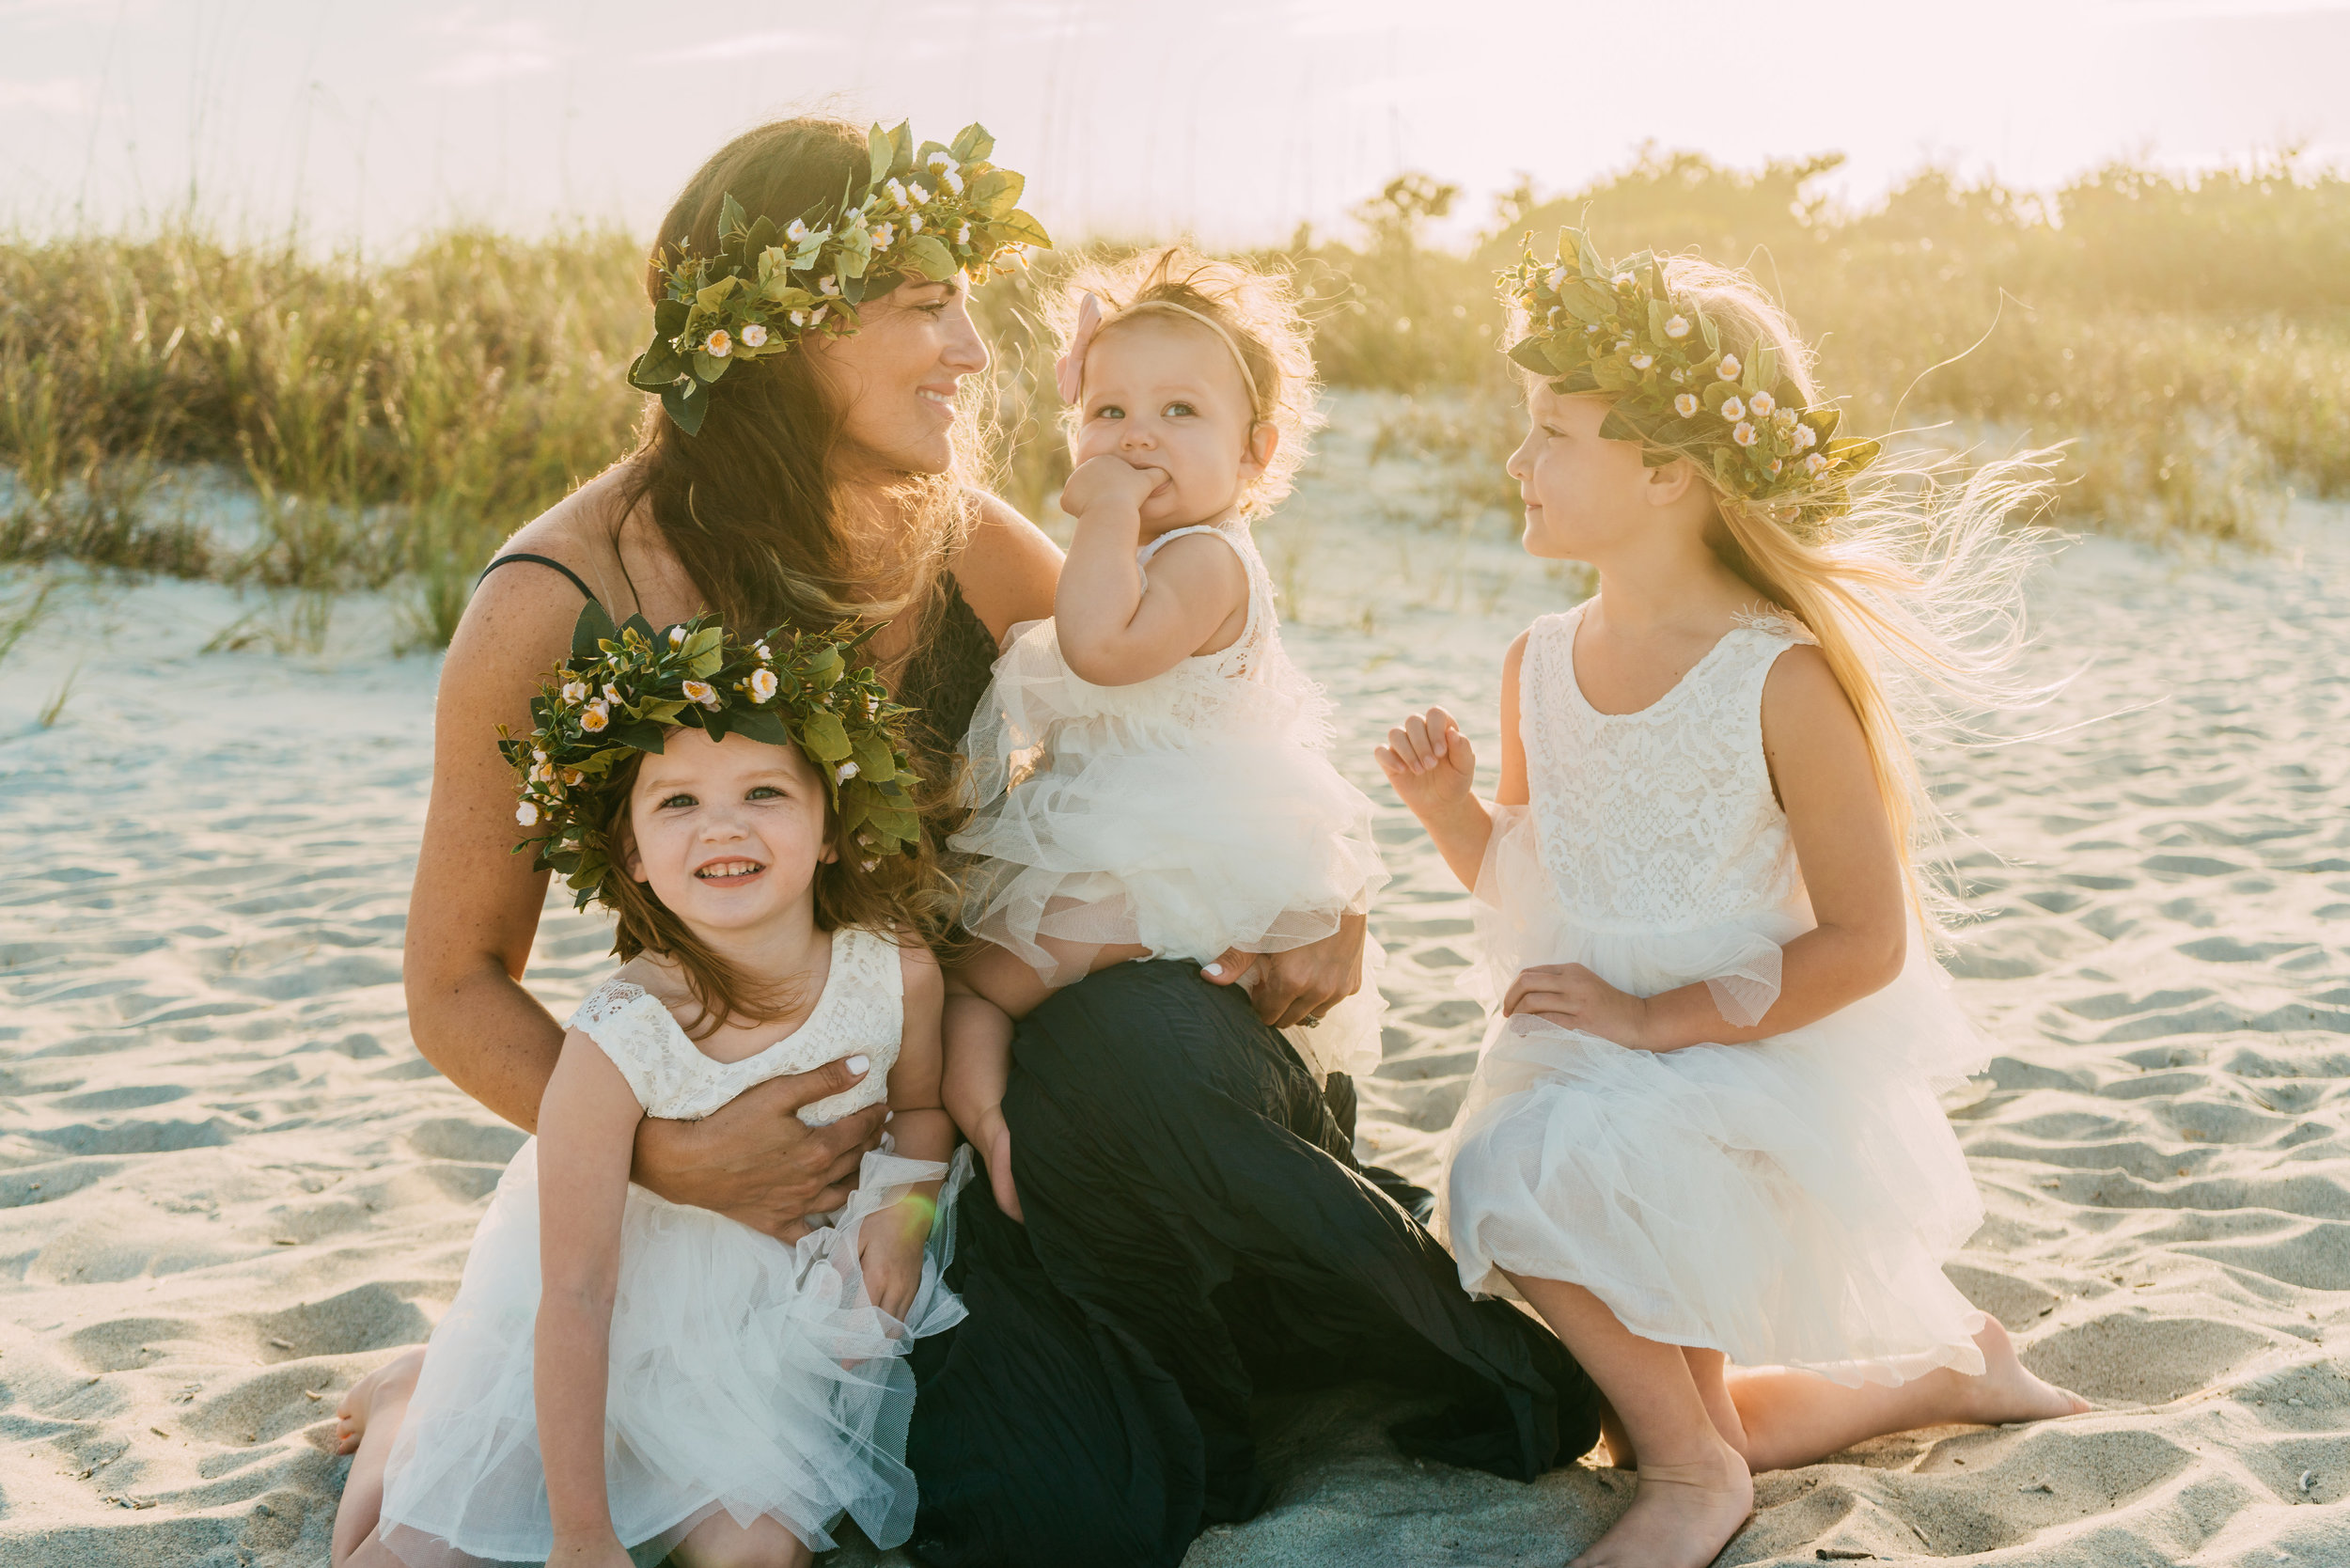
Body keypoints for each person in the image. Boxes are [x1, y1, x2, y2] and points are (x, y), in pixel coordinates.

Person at [373, 115, 1600, 1568]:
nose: (973, 350)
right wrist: (672, 1158)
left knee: (1136, 1068)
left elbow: (1201, 698)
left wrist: (1320, 893)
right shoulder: (558, 599)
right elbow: (454, 985)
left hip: (1004, 1083)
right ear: (782, 329)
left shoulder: (942, 523)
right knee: (1053, 1511)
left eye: (967, 302)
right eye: (922, 306)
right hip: (779, 1156)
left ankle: (1470, 1364)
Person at [1378, 231, 2089, 1568]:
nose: (1517, 460)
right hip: (1586, 1057)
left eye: (1553, 433)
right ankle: (1946, 1375)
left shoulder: (1779, 679)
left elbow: (1868, 941)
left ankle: (1694, 1478)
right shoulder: (1535, 661)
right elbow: (1543, 892)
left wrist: (1657, 1021)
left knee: (1510, 1173)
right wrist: (1448, 814)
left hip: (1735, 1065)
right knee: (1555, 1197)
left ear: (1667, 471)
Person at [335, 616, 966, 1568]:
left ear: (831, 830)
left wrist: (908, 1212)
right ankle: (405, 1405)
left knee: (755, 1555)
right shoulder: (620, 1035)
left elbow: (924, 1113)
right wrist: (583, 1536)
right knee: (401, 1558)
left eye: (764, 792)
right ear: (628, 850)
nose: (724, 825)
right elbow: (577, 1292)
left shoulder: (895, 972)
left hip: (765, 1330)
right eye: (677, 803)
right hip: (599, 1321)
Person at [942, 249, 1388, 1219]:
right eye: (1109, 413)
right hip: (1124, 834)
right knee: (970, 981)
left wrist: (1102, 506)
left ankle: (979, 1123)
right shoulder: (1150, 550)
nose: (1138, 437)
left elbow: (1100, 648)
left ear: (1254, 454)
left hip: (1173, 855)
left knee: (977, 989)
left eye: (1179, 413)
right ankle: (986, 1122)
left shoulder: (1203, 560)